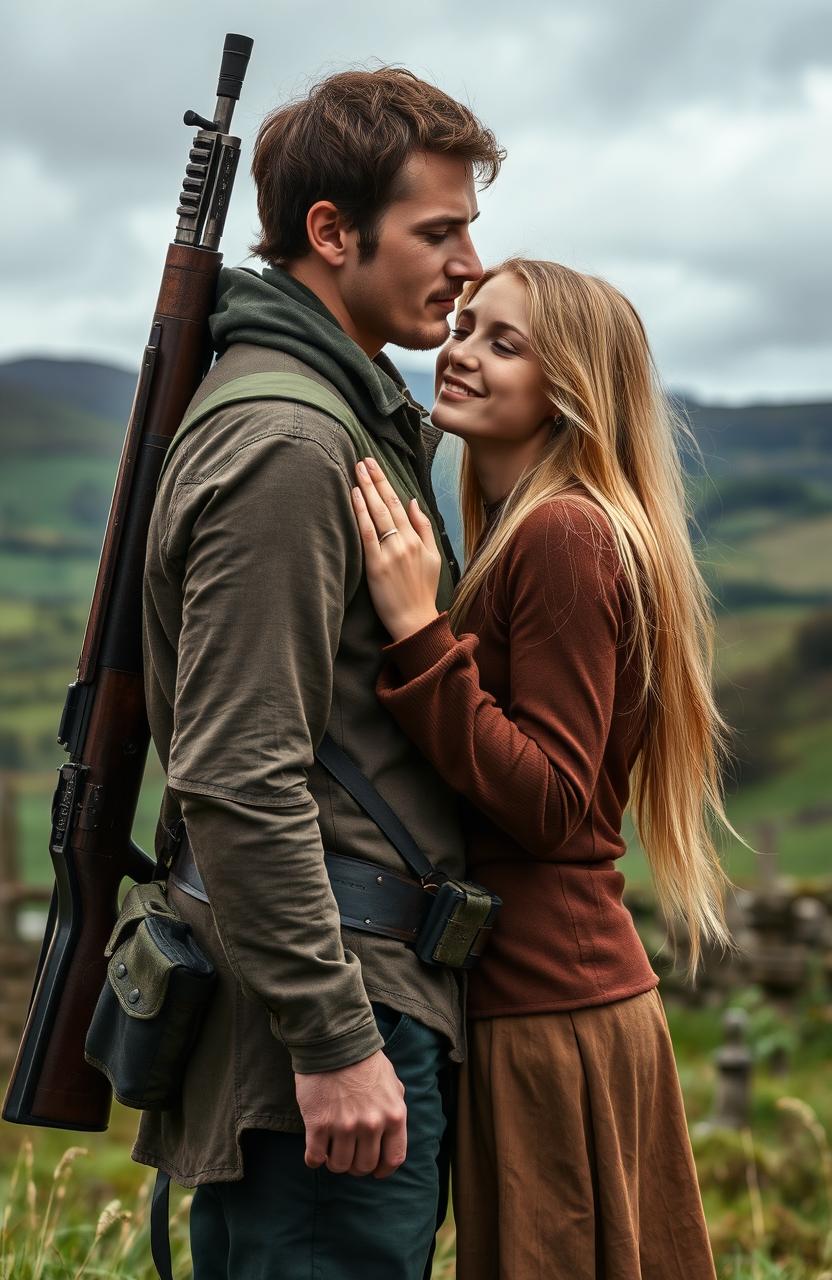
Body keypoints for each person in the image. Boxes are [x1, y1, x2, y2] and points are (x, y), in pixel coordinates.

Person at [136, 68, 503, 1280]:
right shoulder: (292, 447)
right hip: (328, 1018)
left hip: (350, 992)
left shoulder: (327, 415)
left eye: (468, 228)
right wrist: (335, 1035)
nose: (466, 265)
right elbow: (239, 772)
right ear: (332, 233)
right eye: (436, 230)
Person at [350, 258, 732, 1279]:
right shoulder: (532, 527)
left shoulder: (564, 533)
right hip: (547, 994)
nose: (462, 349)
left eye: (503, 340)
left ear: (570, 388)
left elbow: (555, 801)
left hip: (551, 1008)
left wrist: (418, 633)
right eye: (466, 325)